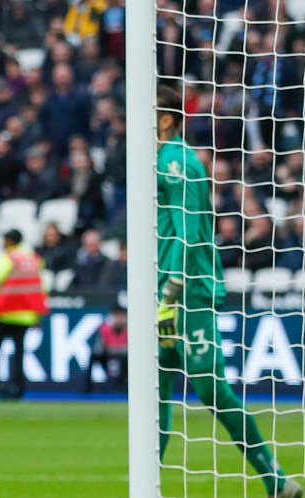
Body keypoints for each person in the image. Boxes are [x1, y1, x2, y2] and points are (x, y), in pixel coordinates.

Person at [155, 86, 301, 498]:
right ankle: (148, 486)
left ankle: (274, 479)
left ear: (166, 119)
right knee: (156, 395)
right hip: (161, 291)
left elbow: (191, 232)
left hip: (186, 293)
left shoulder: (176, 161)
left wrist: (172, 291)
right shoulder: (158, 160)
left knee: (211, 390)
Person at [0, 229, 49, 401]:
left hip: (3, 312)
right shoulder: (33, 259)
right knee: (19, 355)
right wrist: (38, 313)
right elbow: (41, 287)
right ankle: (17, 390)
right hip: (25, 315)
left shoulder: (4, 258)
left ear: (9, 241)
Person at [83, 303, 128, 393]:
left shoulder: (129, 329)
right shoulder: (105, 329)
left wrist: (116, 349)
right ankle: (87, 388)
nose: (118, 319)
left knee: (127, 360)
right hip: (108, 354)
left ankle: (125, 386)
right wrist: (112, 349)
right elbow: (100, 347)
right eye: (116, 316)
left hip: (123, 356)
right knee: (93, 357)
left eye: (120, 316)